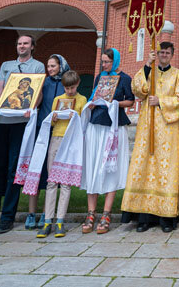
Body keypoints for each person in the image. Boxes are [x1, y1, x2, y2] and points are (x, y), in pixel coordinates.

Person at [0, 35, 45, 235]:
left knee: (14, 168)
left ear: (32, 47)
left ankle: (7, 217)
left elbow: (37, 92)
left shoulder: (37, 66)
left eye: (25, 44)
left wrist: (31, 107)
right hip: (2, 121)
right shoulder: (6, 65)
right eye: (19, 43)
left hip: (21, 123)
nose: (22, 46)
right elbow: (0, 88)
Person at [121, 41, 179, 233]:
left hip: (168, 129)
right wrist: (145, 66)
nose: (164, 55)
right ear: (157, 54)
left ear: (172, 54)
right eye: (161, 52)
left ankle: (167, 218)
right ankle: (144, 218)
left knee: (166, 170)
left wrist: (161, 101)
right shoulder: (149, 71)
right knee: (146, 167)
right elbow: (137, 89)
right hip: (147, 127)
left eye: (167, 52)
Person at [81, 48, 134, 235]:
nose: (103, 65)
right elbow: (93, 96)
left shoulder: (125, 79)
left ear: (115, 61)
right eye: (102, 62)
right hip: (96, 125)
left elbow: (130, 101)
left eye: (107, 62)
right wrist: (93, 102)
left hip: (114, 126)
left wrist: (115, 103)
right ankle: (91, 213)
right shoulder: (99, 78)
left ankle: (106, 214)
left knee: (112, 168)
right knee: (93, 166)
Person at [36, 69, 87, 239]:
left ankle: (60, 220)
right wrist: (54, 118)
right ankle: (47, 220)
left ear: (77, 85)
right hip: (56, 138)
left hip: (71, 141)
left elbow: (82, 122)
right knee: (52, 181)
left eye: (72, 88)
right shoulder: (58, 100)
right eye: (66, 88)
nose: (69, 91)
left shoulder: (81, 99)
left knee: (65, 183)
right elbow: (51, 121)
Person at [24, 53, 68, 230]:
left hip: (57, 131)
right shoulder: (43, 82)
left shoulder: (66, 84)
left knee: (51, 173)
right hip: (41, 129)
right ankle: (31, 212)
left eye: (53, 66)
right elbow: (35, 100)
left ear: (61, 66)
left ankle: (45, 213)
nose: (50, 69)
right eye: (48, 66)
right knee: (36, 169)